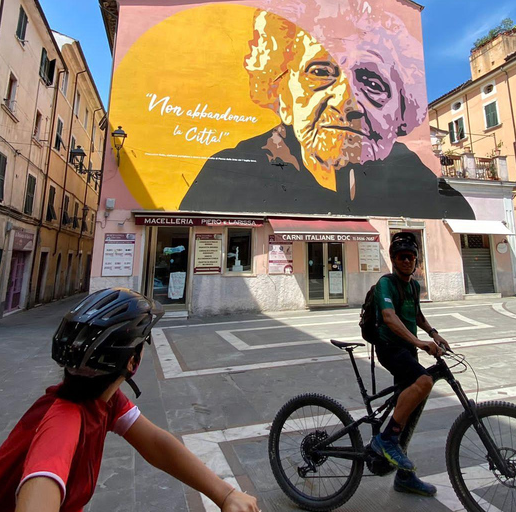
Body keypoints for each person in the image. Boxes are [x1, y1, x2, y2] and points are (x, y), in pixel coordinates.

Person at [0, 288, 259, 512]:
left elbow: (156, 444)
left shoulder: (102, 401)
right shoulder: (63, 422)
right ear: (132, 363)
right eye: (143, 344)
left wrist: (225, 495)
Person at [180, 8, 474, 220]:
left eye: (372, 83)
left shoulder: (420, 185)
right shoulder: (230, 175)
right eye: (320, 72)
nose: (346, 102)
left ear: (400, 113)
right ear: (281, 91)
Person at [370, 232, 450, 496]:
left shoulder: (414, 286)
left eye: (411, 257)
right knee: (425, 381)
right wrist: (419, 342)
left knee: (409, 412)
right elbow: (390, 317)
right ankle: (385, 439)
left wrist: (433, 333)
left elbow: (416, 313)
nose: (407, 261)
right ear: (393, 259)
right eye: (402, 257)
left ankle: (404, 477)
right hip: (390, 349)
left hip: (408, 351)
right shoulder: (386, 283)